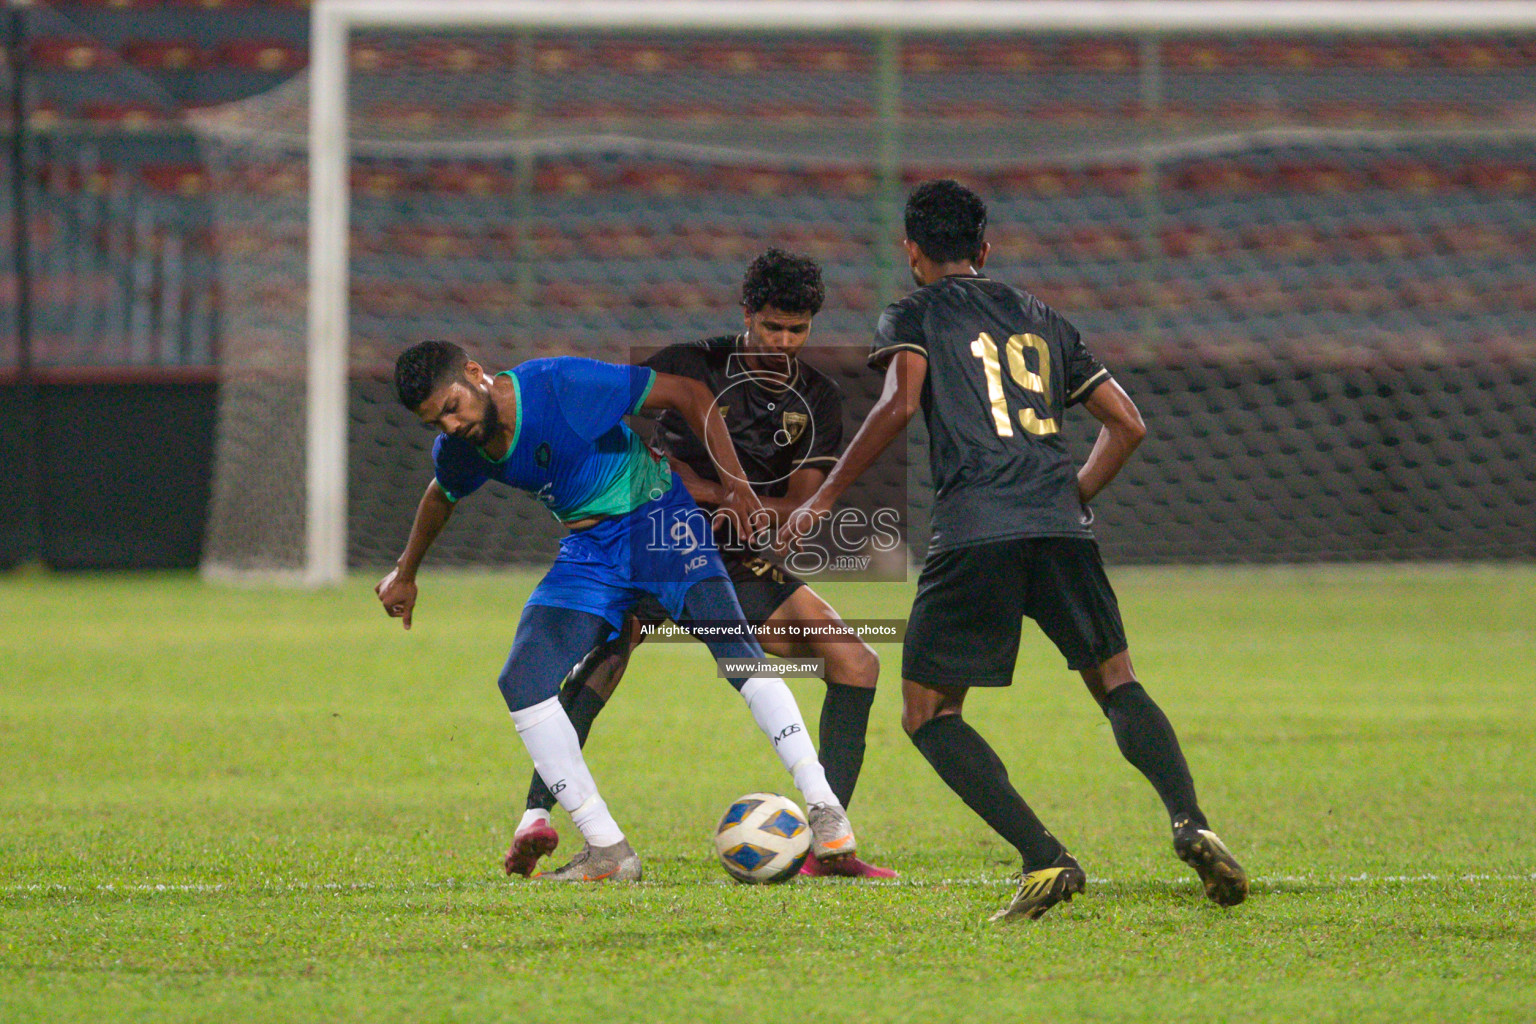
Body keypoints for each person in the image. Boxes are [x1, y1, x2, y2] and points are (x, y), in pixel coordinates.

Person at [781, 180, 1247, 920]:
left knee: (928, 712)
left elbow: (900, 402)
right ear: (985, 248)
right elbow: (1127, 424)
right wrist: (1075, 495)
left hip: (975, 530)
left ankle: (1044, 857)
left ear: (911, 251)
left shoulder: (913, 312)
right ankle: (1192, 820)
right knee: (1116, 681)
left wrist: (825, 498)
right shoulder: (1044, 318)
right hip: (1061, 528)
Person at [376, 341, 859, 882]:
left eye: (452, 406)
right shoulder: (462, 449)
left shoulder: (561, 385)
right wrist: (406, 571)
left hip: (658, 524)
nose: (452, 424)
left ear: (475, 374)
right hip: (589, 555)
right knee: (522, 680)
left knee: (739, 657)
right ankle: (608, 849)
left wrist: (737, 487)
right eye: (436, 421)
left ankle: (823, 807)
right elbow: (442, 494)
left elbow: (690, 393)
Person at [504, 250, 894, 880]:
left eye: (798, 331)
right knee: (600, 662)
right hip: (653, 541)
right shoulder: (688, 365)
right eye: (772, 327)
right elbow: (617, 440)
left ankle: (830, 843)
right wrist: (689, 489)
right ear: (747, 315)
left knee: (855, 661)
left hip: (736, 561)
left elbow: (794, 509)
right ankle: (537, 818)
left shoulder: (816, 397)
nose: (784, 343)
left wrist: (726, 498)